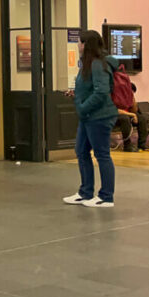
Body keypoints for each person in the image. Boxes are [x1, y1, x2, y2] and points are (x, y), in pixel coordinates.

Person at [64, 30, 118, 208]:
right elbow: (90, 87)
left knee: (102, 154)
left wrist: (83, 106)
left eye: (80, 43)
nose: (78, 46)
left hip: (99, 116)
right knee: (81, 151)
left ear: (86, 44)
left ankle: (106, 196)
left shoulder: (98, 64)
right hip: (88, 117)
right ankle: (85, 192)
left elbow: (102, 92)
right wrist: (77, 94)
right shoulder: (89, 64)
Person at [114, 84, 149, 152]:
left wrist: (132, 99)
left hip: (128, 117)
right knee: (125, 118)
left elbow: (134, 110)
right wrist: (132, 115)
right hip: (114, 118)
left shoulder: (128, 99)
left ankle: (142, 144)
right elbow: (116, 111)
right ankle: (127, 145)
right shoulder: (115, 97)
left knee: (142, 118)